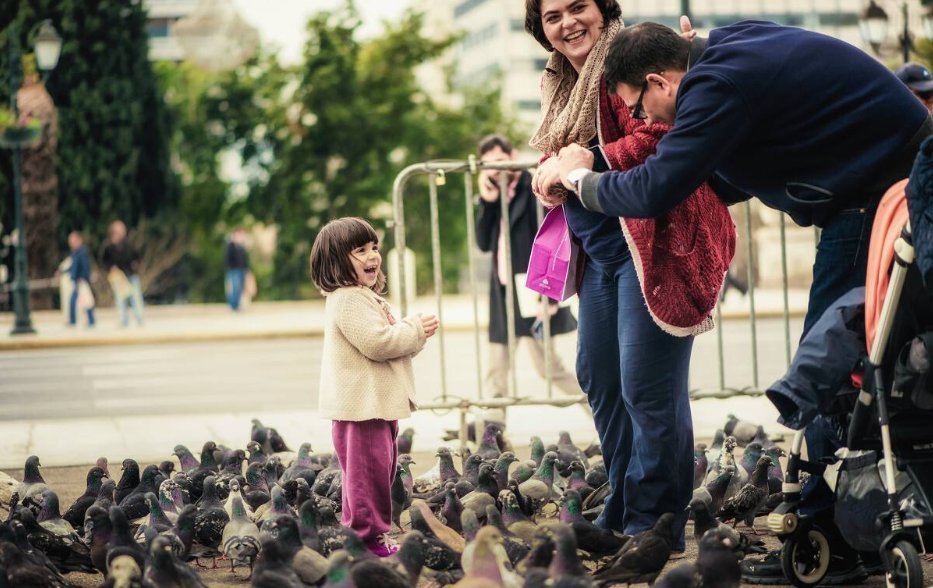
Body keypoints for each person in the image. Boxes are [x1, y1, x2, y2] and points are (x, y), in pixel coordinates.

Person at [553, 20, 933, 583]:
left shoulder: (715, 84)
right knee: (851, 356)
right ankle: (842, 516)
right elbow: (717, 174)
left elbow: (658, 187)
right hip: (880, 183)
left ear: (660, 80)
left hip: (877, 196)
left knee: (829, 364)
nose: (645, 121)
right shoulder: (723, 51)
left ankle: (829, 534)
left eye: (640, 105)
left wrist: (581, 178)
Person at [523, 0, 735, 553]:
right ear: (539, 28)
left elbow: (662, 132)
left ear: (603, 9)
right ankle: (622, 503)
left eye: (578, 7)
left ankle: (654, 524)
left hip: (655, 245)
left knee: (648, 387)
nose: (568, 22)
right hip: (600, 253)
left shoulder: (630, 54)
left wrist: (586, 160)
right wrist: (551, 175)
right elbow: (562, 159)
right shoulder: (559, 83)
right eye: (552, 16)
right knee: (599, 375)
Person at [309, 217, 439, 557]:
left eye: (374, 248)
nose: (373, 256)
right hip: (362, 410)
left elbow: (390, 344)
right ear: (337, 261)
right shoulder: (349, 299)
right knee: (367, 477)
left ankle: (362, 533)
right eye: (361, 250)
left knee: (377, 471)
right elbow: (378, 344)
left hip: (373, 406)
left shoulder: (361, 296)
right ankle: (367, 538)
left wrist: (414, 334)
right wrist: (414, 328)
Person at [474, 133, 583, 401]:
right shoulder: (494, 193)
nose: (496, 170)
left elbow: (553, 242)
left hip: (533, 289)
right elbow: (484, 243)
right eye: (489, 165)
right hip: (503, 290)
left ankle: (603, 420)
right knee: (496, 369)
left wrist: (548, 295)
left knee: (549, 368)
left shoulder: (533, 186)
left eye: (500, 161)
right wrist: (487, 202)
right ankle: (493, 432)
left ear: (512, 157)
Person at [100, 220, 144, 327]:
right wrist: (111, 268)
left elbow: (136, 256)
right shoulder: (108, 246)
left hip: (131, 274)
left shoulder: (129, 244)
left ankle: (139, 318)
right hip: (118, 277)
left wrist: (135, 266)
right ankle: (123, 320)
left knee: (135, 297)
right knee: (120, 299)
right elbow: (104, 261)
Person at [67, 230, 95, 328]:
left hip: (81, 281)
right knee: (84, 301)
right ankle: (88, 320)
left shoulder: (82, 253)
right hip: (76, 280)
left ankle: (76, 320)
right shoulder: (75, 253)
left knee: (84, 300)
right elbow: (72, 266)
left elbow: (85, 267)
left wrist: (82, 277)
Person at [224, 227, 250, 312]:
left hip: (241, 270)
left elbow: (245, 260)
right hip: (234, 270)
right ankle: (233, 306)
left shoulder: (241, 247)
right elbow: (227, 259)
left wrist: (247, 270)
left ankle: (237, 306)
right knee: (235, 288)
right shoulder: (230, 246)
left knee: (240, 289)